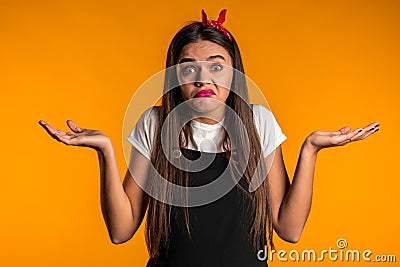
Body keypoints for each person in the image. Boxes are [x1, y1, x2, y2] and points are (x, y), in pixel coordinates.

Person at [39, 9, 379, 267]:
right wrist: (105, 151)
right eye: (188, 68)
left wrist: (310, 150)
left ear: (234, 72)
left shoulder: (258, 122)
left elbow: (288, 230)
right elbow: (120, 231)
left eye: (216, 66)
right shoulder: (156, 123)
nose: (203, 78)